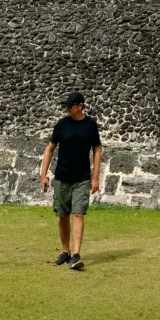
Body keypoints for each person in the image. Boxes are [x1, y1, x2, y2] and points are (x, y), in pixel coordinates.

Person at [40, 91, 101, 269]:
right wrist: (43, 175)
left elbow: (97, 150)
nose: (67, 108)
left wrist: (96, 177)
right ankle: (65, 252)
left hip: (82, 178)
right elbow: (50, 149)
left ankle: (76, 254)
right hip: (62, 177)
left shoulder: (90, 125)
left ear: (80, 106)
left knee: (78, 213)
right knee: (63, 215)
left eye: (70, 105)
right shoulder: (61, 125)